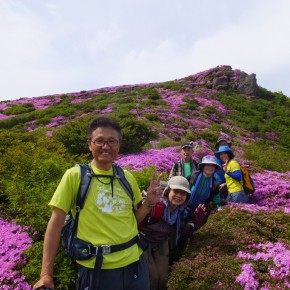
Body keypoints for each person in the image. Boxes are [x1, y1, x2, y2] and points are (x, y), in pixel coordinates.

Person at [33, 116, 163, 290]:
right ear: (89, 144)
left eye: (112, 141)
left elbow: (134, 219)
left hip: (135, 263)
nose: (106, 146)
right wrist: (45, 274)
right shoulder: (75, 176)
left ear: (119, 145)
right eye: (99, 141)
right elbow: (55, 225)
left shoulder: (127, 177)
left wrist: (148, 203)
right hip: (97, 269)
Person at [138, 176, 206, 290]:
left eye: (183, 193)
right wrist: (148, 203)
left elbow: (185, 232)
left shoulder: (182, 212)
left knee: (164, 278)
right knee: (153, 277)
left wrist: (196, 222)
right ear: (168, 191)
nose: (179, 196)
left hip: (161, 242)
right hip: (143, 242)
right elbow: (137, 218)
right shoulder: (156, 204)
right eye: (176, 191)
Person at [214, 137, 233, 201]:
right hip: (219, 182)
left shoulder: (230, 158)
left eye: (225, 144)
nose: (223, 145)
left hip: (227, 183)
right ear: (218, 147)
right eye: (221, 144)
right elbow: (219, 172)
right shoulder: (217, 158)